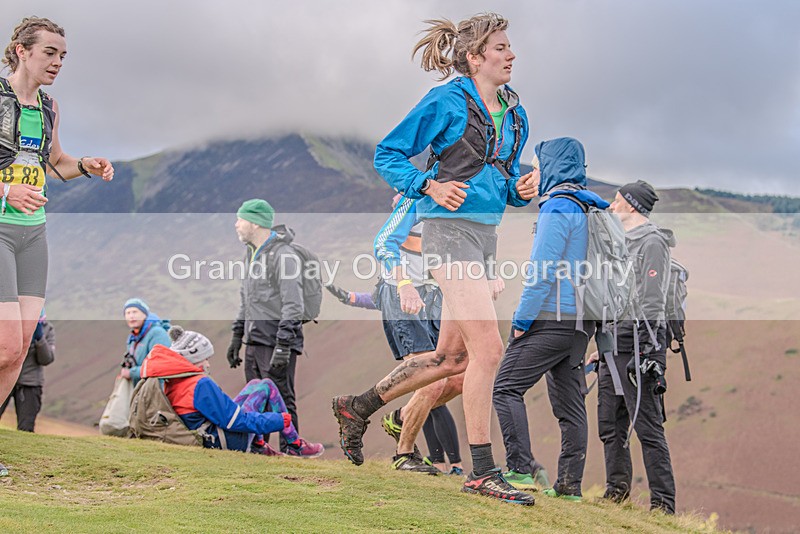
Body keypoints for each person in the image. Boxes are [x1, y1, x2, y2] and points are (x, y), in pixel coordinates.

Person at [332, 13, 538, 504]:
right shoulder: (446, 100)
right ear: (475, 57)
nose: (511, 55)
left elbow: (500, 181)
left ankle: (356, 407)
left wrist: (519, 189)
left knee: (452, 358)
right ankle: (483, 471)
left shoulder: (515, 112)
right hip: (448, 237)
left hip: (484, 238)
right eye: (501, 47)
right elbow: (389, 154)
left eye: (511, 47)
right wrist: (428, 184)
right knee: (489, 352)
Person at [0, 17, 113, 476]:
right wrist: (5, 191)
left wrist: (85, 164)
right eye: (50, 53)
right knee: (4, 341)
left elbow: (57, 163)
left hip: (35, 232)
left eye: (63, 56)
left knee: (18, 349)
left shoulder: (49, 106)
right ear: (22, 51)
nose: (58, 62)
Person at [492, 137, 604, 502]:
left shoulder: (557, 208)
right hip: (580, 323)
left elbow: (542, 272)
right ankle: (570, 486)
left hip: (551, 317)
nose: (534, 173)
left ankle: (520, 470)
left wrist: (521, 320)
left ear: (553, 166)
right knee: (571, 407)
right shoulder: (587, 208)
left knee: (506, 387)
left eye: (538, 165)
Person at [327, 194, 464, 475]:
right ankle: (403, 454)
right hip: (405, 295)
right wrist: (401, 284)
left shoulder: (457, 205)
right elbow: (383, 246)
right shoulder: (415, 198)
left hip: (435, 297)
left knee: (458, 378)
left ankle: (398, 417)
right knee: (432, 382)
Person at [587, 180, 677, 514]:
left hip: (640, 347)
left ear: (632, 205)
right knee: (610, 425)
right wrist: (603, 343)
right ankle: (617, 493)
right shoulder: (620, 241)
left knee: (649, 428)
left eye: (617, 199)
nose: (612, 205)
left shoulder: (652, 242)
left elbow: (652, 301)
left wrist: (645, 352)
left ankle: (664, 506)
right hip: (613, 344)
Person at [138, 326, 322, 457]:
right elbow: (235, 421)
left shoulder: (172, 380)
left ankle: (264, 445)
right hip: (225, 441)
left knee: (258, 383)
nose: (208, 364)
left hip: (207, 435)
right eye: (205, 359)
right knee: (266, 386)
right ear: (193, 358)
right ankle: (294, 444)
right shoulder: (199, 384)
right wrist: (280, 420)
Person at [226, 199, 305, 453]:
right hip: (254, 340)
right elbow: (246, 300)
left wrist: (283, 345)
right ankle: (259, 450)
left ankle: (291, 450)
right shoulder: (251, 254)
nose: (236, 224)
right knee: (256, 399)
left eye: (240, 219)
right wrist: (237, 336)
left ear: (254, 222)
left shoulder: (284, 256)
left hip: (275, 342)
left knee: (282, 399)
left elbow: (294, 304)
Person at [0, 312, 55, 432]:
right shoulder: (10, 324)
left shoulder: (47, 328)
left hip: (30, 383)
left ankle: (20, 450)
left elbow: (46, 359)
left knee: (26, 427)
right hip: (5, 377)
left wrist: (40, 339)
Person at [120, 298, 170, 388]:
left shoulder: (157, 333)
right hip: (143, 391)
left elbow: (162, 365)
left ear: (145, 314)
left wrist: (132, 373)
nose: (131, 316)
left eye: (135, 312)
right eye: (128, 313)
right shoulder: (133, 338)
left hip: (158, 391)